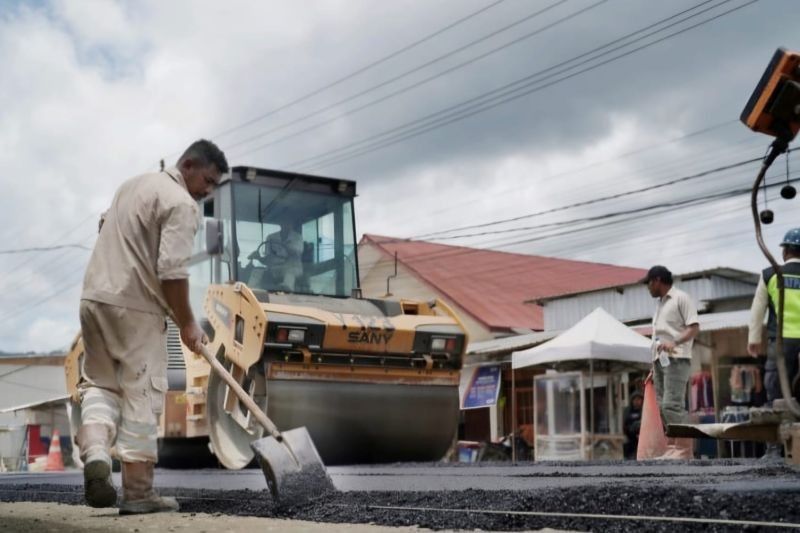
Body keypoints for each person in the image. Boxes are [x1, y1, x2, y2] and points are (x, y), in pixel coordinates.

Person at [77, 140, 228, 514]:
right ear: (189, 165)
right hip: (137, 311)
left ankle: (95, 451)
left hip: (94, 301)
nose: (207, 191)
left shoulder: (131, 185)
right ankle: (139, 494)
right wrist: (189, 324)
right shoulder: (181, 205)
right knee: (142, 397)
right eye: (207, 181)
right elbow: (172, 272)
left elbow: (104, 226)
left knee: (100, 386)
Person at [747, 227, 800, 461]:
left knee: (775, 394)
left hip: (780, 344)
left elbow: (757, 310)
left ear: (786, 250)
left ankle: (774, 450)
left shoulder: (770, 273)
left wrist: (753, 339)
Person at [644, 265, 700, 460]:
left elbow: (694, 327)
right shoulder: (660, 304)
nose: (648, 288)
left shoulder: (680, 298)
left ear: (657, 280)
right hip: (660, 359)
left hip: (677, 357)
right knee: (661, 405)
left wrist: (674, 342)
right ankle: (673, 447)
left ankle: (684, 448)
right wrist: (654, 364)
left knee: (672, 405)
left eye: (649, 283)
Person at [261, 219, 304, 290]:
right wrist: (258, 258)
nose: (287, 224)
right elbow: (268, 257)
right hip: (275, 268)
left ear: (292, 224)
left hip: (292, 267)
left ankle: (286, 290)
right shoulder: (271, 237)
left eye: (289, 222)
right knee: (257, 272)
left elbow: (297, 254)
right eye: (284, 222)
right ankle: (248, 294)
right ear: (280, 223)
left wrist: (283, 245)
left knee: (289, 274)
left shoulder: (298, 237)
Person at [623, 391, 644, 459]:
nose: (637, 401)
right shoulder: (628, 410)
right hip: (630, 437)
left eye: (639, 399)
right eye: (635, 399)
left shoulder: (644, 410)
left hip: (642, 435)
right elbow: (625, 424)